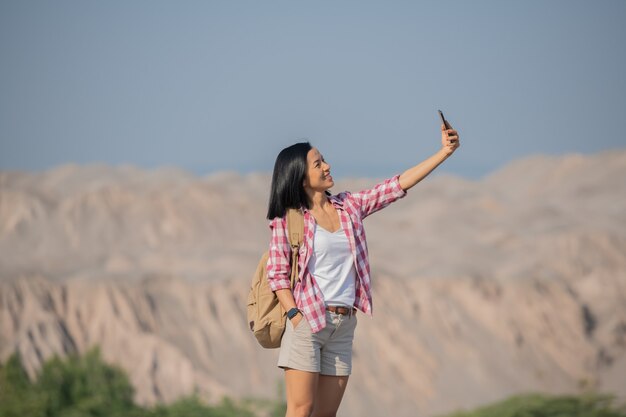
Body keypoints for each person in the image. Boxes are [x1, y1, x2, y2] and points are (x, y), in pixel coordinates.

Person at [266, 123, 460, 417]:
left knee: (325, 414)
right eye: (318, 163)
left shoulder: (349, 207)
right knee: (300, 411)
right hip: (308, 321)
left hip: (343, 325)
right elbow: (278, 275)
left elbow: (396, 186)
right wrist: (295, 316)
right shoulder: (289, 219)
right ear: (301, 178)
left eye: (324, 159)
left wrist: (444, 152)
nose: (328, 166)